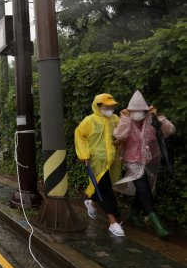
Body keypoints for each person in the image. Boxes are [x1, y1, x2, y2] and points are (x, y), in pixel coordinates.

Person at [113, 90, 175, 238]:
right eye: (133, 111)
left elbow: (170, 130)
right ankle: (157, 225)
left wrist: (157, 117)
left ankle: (133, 215)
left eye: (140, 110)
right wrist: (126, 118)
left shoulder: (152, 121)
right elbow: (119, 135)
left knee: (144, 190)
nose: (137, 114)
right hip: (132, 161)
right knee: (144, 189)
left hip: (151, 160)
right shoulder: (125, 121)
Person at [75, 93, 124, 236]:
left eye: (112, 106)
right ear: (98, 106)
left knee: (104, 187)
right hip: (96, 161)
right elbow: (79, 135)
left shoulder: (115, 119)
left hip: (112, 161)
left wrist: (118, 141)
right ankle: (113, 222)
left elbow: (119, 135)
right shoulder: (89, 120)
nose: (110, 109)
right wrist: (84, 154)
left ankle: (92, 203)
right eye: (107, 106)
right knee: (105, 189)